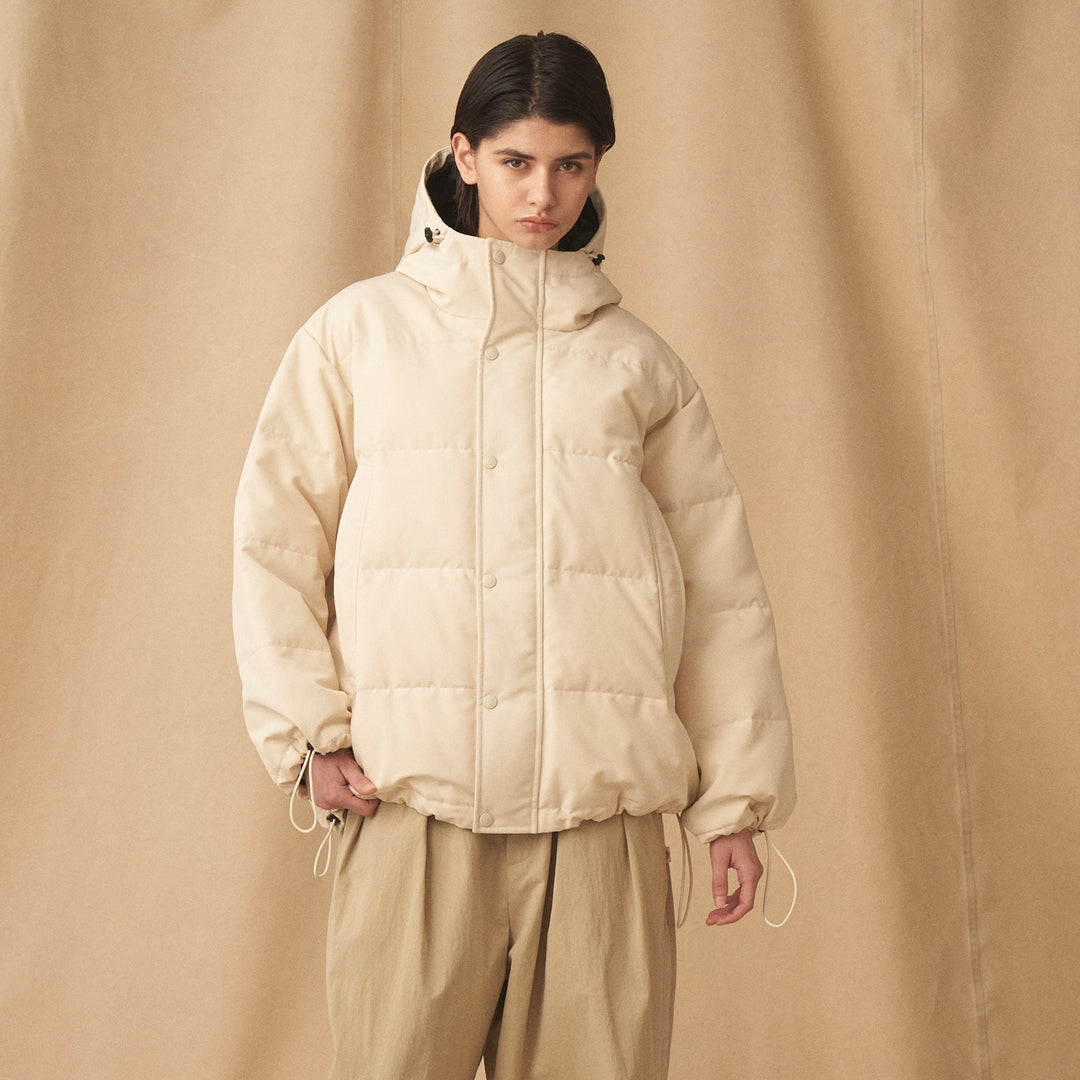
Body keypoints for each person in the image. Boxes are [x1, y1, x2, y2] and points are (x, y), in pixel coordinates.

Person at [233, 31, 795, 1080]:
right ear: (464, 155)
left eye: (571, 164)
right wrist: (308, 735)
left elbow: (721, 594)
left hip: (599, 831)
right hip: (414, 815)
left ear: (598, 164)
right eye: (516, 162)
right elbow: (275, 542)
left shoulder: (640, 367)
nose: (544, 194)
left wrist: (735, 806)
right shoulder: (357, 337)